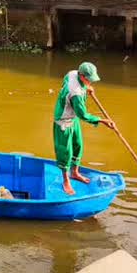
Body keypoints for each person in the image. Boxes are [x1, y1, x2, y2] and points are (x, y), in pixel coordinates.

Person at [52, 62, 115, 195]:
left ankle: (74, 172)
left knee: (78, 145)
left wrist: (86, 87)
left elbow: (68, 85)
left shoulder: (72, 73)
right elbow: (82, 114)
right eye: (88, 79)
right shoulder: (76, 93)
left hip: (72, 117)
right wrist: (102, 120)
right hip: (63, 120)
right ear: (81, 75)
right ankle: (66, 180)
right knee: (65, 152)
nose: (90, 81)